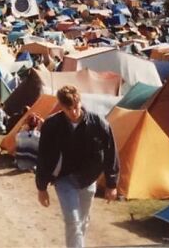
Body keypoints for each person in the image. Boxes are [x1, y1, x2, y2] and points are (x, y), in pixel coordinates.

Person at [36, 85, 119, 248]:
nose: (73, 112)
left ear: (80, 102)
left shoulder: (98, 123)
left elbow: (111, 154)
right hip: (64, 180)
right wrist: (41, 187)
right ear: (61, 106)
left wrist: (111, 184)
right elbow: (44, 158)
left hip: (88, 180)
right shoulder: (52, 125)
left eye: (76, 107)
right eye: (68, 109)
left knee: (82, 221)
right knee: (73, 221)